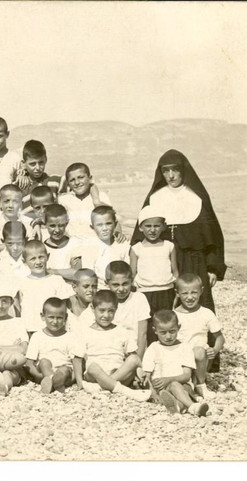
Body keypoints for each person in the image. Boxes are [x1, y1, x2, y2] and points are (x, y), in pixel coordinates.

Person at [132, 149, 226, 369]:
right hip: (165, 261)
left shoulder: (196, 197)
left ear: (184, 171)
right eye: (166, 171)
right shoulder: (155, 198)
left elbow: (212, 235)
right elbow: (141, 235)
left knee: (197, 303)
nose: (171, 175)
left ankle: (206, 361)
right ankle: (164, 358)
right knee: (166, 307)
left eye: (175, 170)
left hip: (194, 260)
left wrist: (213, 267)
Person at [71, 290, 150, 402]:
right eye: (102, 310)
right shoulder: (85, 332)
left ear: (116, 310)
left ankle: (103, 387)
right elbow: (77, 359)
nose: (106, 315)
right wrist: (80, 382)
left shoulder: (122, 330)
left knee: (134, 358)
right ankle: (126, 391)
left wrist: (139, 373)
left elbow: (133, 357)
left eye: (111, 311)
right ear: (93, 309)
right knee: (93, 367)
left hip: (118, 374)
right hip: (95, 376)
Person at [142, 310, 209, 416]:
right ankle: (192, 406)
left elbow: (186, 375)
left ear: (179, 327)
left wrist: (168, 380)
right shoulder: (153, 348)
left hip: (183, 384)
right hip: (161, 388)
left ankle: (178, 407)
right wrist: (152, 392)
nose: (168, 336)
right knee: (175, 390)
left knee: (178, 387)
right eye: (163, 333)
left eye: (172, 331)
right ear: (155, 330)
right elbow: (146, 374)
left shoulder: (185, 347)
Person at [173, 274, 225, 399]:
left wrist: (215, 349)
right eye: (185, 293)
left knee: (199, 351)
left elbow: (220, 338)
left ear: (201, 291)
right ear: (177, 293)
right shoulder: (174, 314)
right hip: (181, 358)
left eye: (194, 292)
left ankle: (201, 385)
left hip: (201, 359)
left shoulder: (206, 313)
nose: (190, 297)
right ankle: (189, 390)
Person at [130, 205, 178, 317]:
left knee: (165, 320)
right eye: (148, 226)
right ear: (140, 228)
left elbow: (175, 271)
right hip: (144, 292)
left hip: (166, 291)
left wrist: (177, 290)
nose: (152, 230)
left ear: (163, 227)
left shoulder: (169, 246)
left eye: (156, 226)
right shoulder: (136, 248)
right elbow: (132, 274)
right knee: (146, 321)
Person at [16, 240, 74, 334]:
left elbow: (65, 307)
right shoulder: (22, 283)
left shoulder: (57, 280)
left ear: (48, 257)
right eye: (33, 259)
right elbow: (19, 308)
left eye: (41, 257)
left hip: (54, 330)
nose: (38, 262)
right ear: (24, 261)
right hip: (31, 330)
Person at [25, 298, 76, 394]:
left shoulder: (70, 337)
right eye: (51, 317)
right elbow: (29, 364)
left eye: (59, 318)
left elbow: (76, 363)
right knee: (44, 362)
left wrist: (72, 380)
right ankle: (53, 382)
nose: (55, 321)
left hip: (64, 371)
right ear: (43, 316)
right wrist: (39, 376)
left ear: (66, 317)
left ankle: (54, 383)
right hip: (44, 372)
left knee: (64, 369)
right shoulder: (37, 336)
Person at [75, 205, 130, 289]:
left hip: (121, 288)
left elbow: (128, 271)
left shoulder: (123, 244)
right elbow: (89, 274)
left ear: (115, 224)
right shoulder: (89, 247)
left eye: (108, 224)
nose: (104, 228)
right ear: (92, 227)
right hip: (99, 290)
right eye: (99, 225)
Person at [58, 163, 112, 242]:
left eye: (80, 177)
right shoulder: (64, 200)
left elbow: (113, 219)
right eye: (72, 180)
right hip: (73, 245)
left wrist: (118, 232)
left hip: (97, 243)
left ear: (90, 178)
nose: (77, 182)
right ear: (68, 184)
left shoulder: (101, 197)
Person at [43, 204, 82, 281]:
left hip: (68, 288)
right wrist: (67, 271)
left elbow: (77, 273)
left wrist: (52, 271)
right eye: (52, 226)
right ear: (45, 224)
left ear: (66, 223)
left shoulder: (74, 243)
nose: (57, 230)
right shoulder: (42, 247)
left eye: (61, 225)